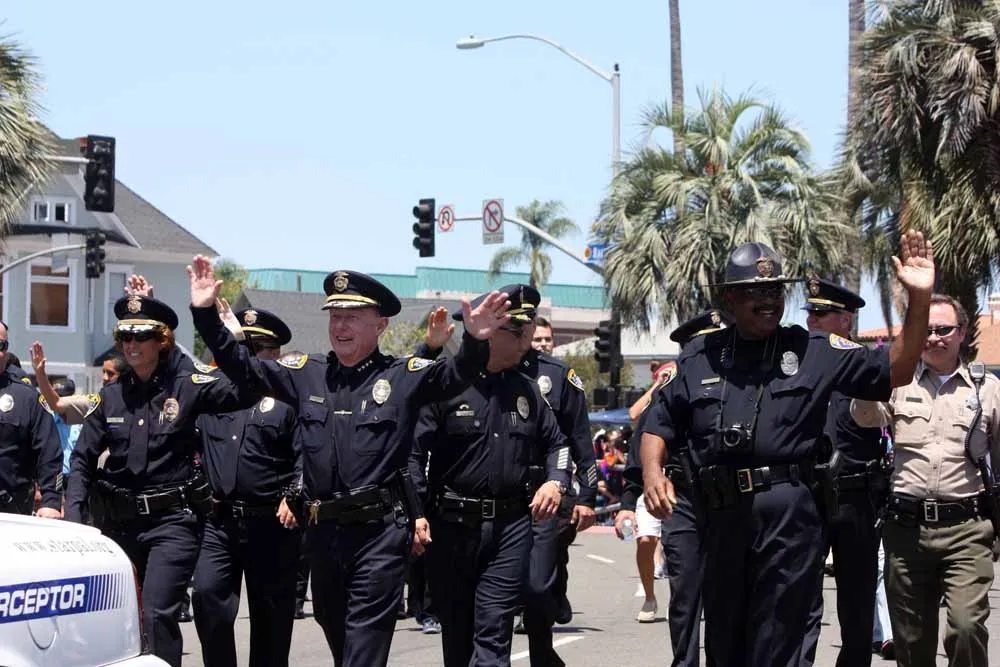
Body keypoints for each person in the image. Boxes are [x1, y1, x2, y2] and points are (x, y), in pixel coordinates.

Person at [187, 256, 512, 667]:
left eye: (352, 317)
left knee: (363, 646)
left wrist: (476, 341)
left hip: (379, 536)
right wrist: (204, 313)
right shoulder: (306, 373)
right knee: (335, 628)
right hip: (323, 534)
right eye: (335, 316)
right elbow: (245, 370)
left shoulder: (403, 376)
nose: (340, 326)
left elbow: (454, 376)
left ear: (381, 325)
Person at [640, 232, 934, 667]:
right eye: (755, 292)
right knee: (724, 645)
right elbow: (658, 423)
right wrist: (652, 473)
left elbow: (899, 368)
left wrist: (919, 298)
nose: (768, 301)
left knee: (779, 643)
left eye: (775, 291)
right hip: (720, 520)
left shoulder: (814, 350)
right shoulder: (700, 356)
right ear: (729, 298)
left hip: (790, 521)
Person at [65, 294, 255, 667]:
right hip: (119, 524)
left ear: (161, 340)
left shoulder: (187, 385)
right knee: (118, 618)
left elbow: (245, 390)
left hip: (172, 524)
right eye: (125, 337)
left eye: (141, 336)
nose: (131, 344)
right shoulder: (110, 396)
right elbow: (82, 458)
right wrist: (73, 517)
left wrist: (231, 341)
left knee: (156, 613)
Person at [409, 285, 569, 667]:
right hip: (451, 529)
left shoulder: (527, 391)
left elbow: (558, 444)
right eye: (517, 332)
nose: (527, 340)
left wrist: (556, 481)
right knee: (458, 641)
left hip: (508, 529)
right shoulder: (445, 386)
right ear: (489, 334)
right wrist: (415, 513)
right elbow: (412, 455)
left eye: (527, 331)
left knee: (494, 636)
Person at [851, 293, 998, 667]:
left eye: (943, 329)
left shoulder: (987, 389)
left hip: (967, 530)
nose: (934, 338)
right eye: (926, 330)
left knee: (966, 627)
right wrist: (871, 377)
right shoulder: (899, 382)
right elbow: (865, 417)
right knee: (912, 642)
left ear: (962, 332)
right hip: (906, 530)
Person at [191, 304, 303, 667]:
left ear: (275, 354)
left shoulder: (290, 397)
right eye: (240, 347)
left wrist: (295, 494)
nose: (245, 357)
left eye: (254, 349)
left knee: (271, 622)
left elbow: (307, 454)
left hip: (271, 523)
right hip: (219, 522)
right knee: (207, 596)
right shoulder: (212, 394)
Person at [622, 311, 724, 661]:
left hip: (731, 501)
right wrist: (632, 497)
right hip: (684, 500)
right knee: (685, 594)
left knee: (727, 596)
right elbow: (647, 437)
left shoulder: (741, 380)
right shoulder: (673, 385)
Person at [799, 278, 887, 667]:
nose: (812, 321)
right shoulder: (797, 365)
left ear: (845, 321)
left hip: (857, 496)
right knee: (801, 598)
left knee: (857, 601)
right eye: (810, 314)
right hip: (808, 495)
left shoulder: (866, 366)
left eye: (821, 314)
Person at [0, 320, 63, 518]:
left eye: (1, 345)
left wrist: (51, 501)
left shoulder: (27, 397)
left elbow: (49, 452)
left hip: (10, 513)